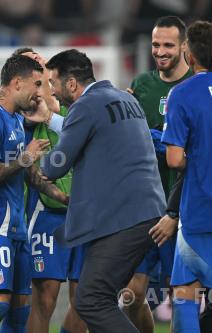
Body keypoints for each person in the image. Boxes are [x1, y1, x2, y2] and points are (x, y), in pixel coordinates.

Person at [37, 49, 166, 333]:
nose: (52, 92)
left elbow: (57, 165)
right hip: (147, 213)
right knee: (102, 297)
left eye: (53, 83)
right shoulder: (125, 98)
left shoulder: (85, 106)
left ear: (71, 84)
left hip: (123, 220)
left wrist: (30, 163)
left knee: (91, 299)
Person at [0, 54, 68, 333]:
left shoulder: (15, 121)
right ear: (16, 82)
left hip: (16, 229)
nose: (40, 92)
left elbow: (32, 177)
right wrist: (26, 157)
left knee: (19, 313)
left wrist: (65, 199)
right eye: (36, 84)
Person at [121, 16, 194, 332]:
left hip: (186, 209)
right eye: (155, 44)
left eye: (168, 45)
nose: (160, 51)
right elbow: (128, 141)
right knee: (132, 295)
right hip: (146, 209)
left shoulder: (197, 86)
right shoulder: (141, 86)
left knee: (182, 295)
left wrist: (155, 138)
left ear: (184, 47)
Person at [13, 47, 86, 333]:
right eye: (34, 64)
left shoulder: (72, 103)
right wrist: (55, 193)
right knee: (45, 297)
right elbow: (29, 170)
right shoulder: (22, 115)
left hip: (83, 213)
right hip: (46, 213)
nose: (41, 68)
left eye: (42, 63)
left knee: (84, 298)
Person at [155, 19, 212, 333]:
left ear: (189, 56)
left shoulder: (182, 93)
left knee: (185, 296)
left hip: (200, 208)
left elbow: (175, 158)